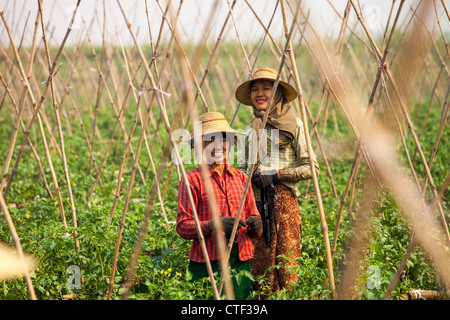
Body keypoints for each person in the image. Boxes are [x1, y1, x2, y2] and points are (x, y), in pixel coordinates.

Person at [235, 68, 319, 295]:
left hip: (284, 205)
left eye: (266, 88)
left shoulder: (295, 126)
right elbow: (241, 171)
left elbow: (311, 168)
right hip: (255, 206)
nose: (259, 94)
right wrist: (247, 178)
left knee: (287, 266)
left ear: (278, 93)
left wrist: (276, 175)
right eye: (255, 89)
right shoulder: (250, 131)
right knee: (261, 271)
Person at [176, 111, 263, 299]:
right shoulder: (192, 181)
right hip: (207, 263)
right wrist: (214, 224)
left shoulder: (241, 179)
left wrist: (256, 225)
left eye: (222, 139)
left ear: (230, 144)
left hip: (240, 262)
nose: (216, 145)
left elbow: (254, 223)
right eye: (209, 140)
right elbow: (183, 227)